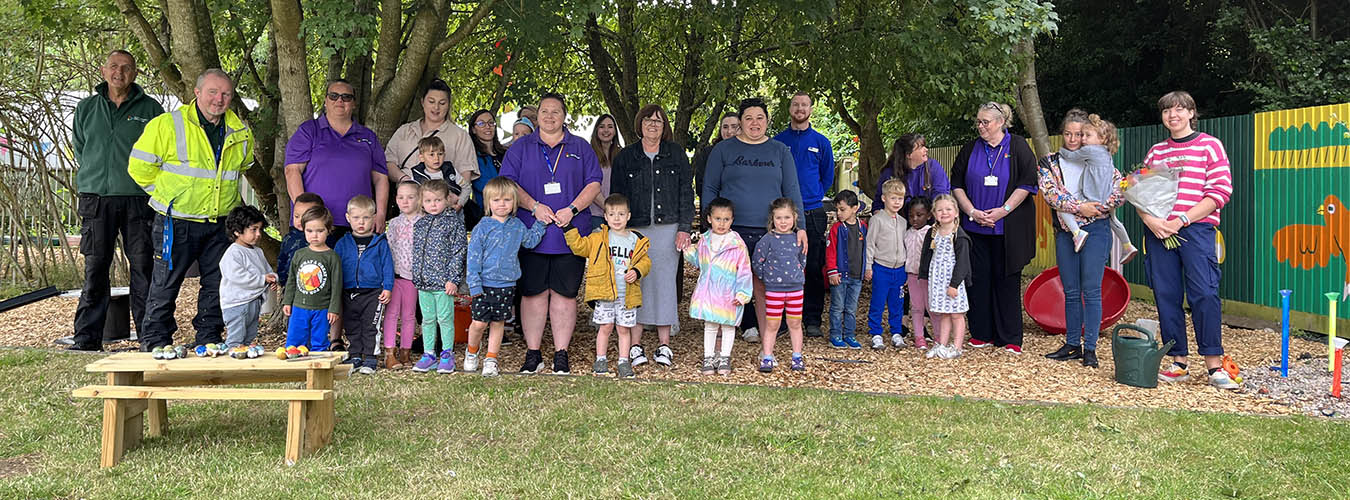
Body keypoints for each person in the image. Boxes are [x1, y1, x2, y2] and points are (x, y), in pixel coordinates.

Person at [129, 68, 255, 350]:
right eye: (212, 92)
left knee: (217, 285)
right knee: (164, 285)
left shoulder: (240, 132)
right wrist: (168, 196)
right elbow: (138, 167)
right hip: (177, 221)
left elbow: (242, 168)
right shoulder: (167, 125)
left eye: (225, 94)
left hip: (221, 222)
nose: (219, 99)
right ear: (196, 93)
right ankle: (155, 342)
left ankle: (209, 339)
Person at [499, 92, 603, 375]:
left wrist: (572, 208)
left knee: (565, 295)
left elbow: (594, 183)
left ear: (564, 116)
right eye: (544, 111)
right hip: (531, 233)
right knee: (532, 295)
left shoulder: (580, 147)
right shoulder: (521, 148)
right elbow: (508, 182)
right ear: (537, 116)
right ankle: (533, 354)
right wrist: (533, 207)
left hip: (570, 234)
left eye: (555, 111)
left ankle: (561, 354)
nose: (549, 116)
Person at [1140, 91, 1236, 389]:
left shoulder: (1210, 145)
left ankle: (1214, 365)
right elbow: (1141, 195)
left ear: (1192, 113)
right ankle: (1178, 361)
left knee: (1204, 294)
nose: (1174, 115)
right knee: (1166, 296)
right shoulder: (1156, 152)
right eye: (1168, 111)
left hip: (1195, 230)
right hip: (1159, 233)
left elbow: (1220, 193)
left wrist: (1181, 220)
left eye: (1180, 110)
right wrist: (1152, 222)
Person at [70, 49, 165, 351]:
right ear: (103, 70)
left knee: (143, 268)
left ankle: (150, 338)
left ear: (135, 73)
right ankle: (86, 339)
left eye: (126, 68)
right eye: (113, 67)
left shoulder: (151, 110)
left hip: (139, 200)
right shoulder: (86, 108)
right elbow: (81, 149)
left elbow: (162, 154)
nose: (119, 73)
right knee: (96, 268)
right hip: (96, 199)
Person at [703, 97, 806, 343]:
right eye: (748, 118)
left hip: (769, 232)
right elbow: (708, 188)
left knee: (762, 288)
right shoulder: (723, 150)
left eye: (760, 117)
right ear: (739, 122)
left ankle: (765, 344)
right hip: (729, 230)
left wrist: (799, 226)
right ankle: (717, 348)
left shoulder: (780, 151)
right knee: (724, 284)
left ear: (767, 121)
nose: (754, 123)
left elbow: (791, 189)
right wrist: (710, 226)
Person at [1039, 110, 1126, 369]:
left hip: (1097, 229)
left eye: (1079, 134)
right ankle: (1072, 344)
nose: (1074, 139)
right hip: (1067, 231)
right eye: (1068, 133)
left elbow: (1119, 190)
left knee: (1092, 289)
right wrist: (1080, 208)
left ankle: (1090, 348)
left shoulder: (1102, 158)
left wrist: (1098, 208)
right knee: (1071, 290)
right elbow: (1050, 193)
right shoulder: (1050, 162)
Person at [610, 104, 694, 368]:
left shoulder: (676, 154)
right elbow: (617, 195)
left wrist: (684, 227)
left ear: (664, 125)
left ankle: (664, 346)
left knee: (665, 285)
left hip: (668, 228)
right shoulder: (626, 157)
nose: (653, 124)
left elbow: (685, 193)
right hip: (634, 228)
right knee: (635, 283)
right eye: (648, 120)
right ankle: (634, 346)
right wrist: (618, 229)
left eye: (658, 120)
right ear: (639, 124)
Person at [950, 101, 1038, 354]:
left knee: (1007, 281)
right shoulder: (970, 149)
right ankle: (981, 333)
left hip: (1008, 229)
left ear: (1000, 123)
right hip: (975, 227)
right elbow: (956, 183)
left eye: (985, 122)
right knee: (978, 281)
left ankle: (1010, 337)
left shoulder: (1018, 146)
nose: (980, 126)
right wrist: (972, 212)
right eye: (978, 121)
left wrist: (1003, 211)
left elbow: (1028, 182)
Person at [464, 177, 548, 377]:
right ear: (488, 203)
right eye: (496, 200)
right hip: (483, 285)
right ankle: (472, 351)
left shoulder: (517, 226)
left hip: (507, 284)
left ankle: (491, 358)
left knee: (498, 322)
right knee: (479, 323)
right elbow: (473, 258)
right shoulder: (482, 227)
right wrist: (474, 284)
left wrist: (541, 225)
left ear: (514, 202)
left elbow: (529, 242)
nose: (502, 204)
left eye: (507, 200)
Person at [284, 79, 390, 234]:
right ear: (326, 101)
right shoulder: (308, 131)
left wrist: (380, 213)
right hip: (315, 226)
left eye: (346, 97)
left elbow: (381, 178)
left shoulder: (368, 136)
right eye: (334, 96)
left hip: (359, 225)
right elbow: (292, 171)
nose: (340, 100)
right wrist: (305, 214)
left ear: (353, 103)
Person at [565, 194, 652, 378]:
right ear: (605, 216)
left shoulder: (636, 240)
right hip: (605, 293)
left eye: (621, 214)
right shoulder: (598, 238)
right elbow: (580, 247)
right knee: (605, 327)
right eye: (612, 214)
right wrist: (568, 228)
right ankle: (601, 359)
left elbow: (645, 262)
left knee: (623, 329)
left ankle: (623, 361)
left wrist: (636, 271)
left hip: (626, 294)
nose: (617, 218)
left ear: (628, 216)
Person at [773, 92, 833, 338]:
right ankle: (784, 320)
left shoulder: (821, 142)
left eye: (804, 105)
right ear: (789, 109)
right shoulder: (778, 142)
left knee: (814, 266)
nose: (800, 108)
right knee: (783, 266)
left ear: (810, 109)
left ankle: (811, 319)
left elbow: (827, 176)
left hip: (812, 210)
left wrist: (814, 194)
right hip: (784, 213)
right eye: (796, 104)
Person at [383, 79, 478, 222]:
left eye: (442, 103)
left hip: (444, 210)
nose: (436, 107)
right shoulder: (404, 131)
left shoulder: (460, 135)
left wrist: (456, 202)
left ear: (448, 104)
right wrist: (405, 180)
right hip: (409, 209)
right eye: (431, 101)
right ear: (422, 102)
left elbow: (465, 176)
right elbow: (388, 162)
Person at [685, 197, 753, 376]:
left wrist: (743, 293)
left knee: (728, 325)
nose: (722, 223)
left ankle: (724, 357)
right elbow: (699, 261)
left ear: (732, 220)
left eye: (726, 219)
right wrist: (686, 250)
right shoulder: (705, 240)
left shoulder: (736, 244)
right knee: (710, 325)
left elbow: (744, 270)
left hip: (729, 293)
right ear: (709, 219)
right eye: (718, 219)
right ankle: (708, 356)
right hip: (709, 292)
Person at [1054, 116, 1135, 260]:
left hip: (1091, 197)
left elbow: (1071, 156)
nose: (1083, 139)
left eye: (1087, 135)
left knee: (1063, 208)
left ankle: (1077, 233)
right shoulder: (1107, 153)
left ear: (1102, 138)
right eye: (1083, 135)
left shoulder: (1091, 150)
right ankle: (1127, 244)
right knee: (1114, 220)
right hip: (1106, 197)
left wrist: (1059, 152)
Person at [409, 180, 468, 374]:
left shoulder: (453, 223)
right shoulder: (420, 224)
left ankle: (447, 354)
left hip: (443, 283)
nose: (433, 204)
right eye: (428, 200)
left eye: (438, 200)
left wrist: (453, 279)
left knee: (445, 318)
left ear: (447, 200)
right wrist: (417, 276)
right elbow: (417, 253)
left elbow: (459, 252)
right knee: (427, 319)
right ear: (422, 202)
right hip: (424, 282)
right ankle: (429, 354)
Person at [334, 195, 394, 374]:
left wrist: (388, 287)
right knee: (352, 324)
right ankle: (355, 355)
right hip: (348, 291)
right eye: (356, 218)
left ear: (374, 218)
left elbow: (388, 267)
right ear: (348, 218)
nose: (361, 222)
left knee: (371, 325)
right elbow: (336, 268)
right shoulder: (342, 243)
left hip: (373, 292)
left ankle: (370, 357)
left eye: (366, 218)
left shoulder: (380, 243)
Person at [751, 198, 807, 372]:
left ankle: (797, 356)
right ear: (772, 219)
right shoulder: (768, 239)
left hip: (796, 289)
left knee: (795, 323)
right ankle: (767, 356)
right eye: (779, 218)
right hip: (774, 290)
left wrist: (796, 276)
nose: (783, 222)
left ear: (794, 217)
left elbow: (802, 260)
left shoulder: (797, 238)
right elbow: (756, 261)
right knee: (772, 324)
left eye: (787, 217)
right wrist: (767, 278)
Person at [282, 206, 342, 351]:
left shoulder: (332, 256)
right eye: (309, 231)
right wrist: (287, 301)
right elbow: (291, 281)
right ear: (303, 229)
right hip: (299, 307)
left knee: (319, 341)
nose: (314, 235)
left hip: (322, 308)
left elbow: (337, 285)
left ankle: (318, 369)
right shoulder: (299, 254)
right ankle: (294, 370)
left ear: (328, 230)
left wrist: (333, 309)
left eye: (319, 231)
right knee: (294, 341)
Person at [920, 195, 972, 360]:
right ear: (934, 213)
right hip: (938, 280)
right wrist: (924, 274)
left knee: (957, 314)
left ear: (956, 213)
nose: (944, 213)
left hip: (953, 281)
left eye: (948, 209)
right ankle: (941, 345)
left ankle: (956, 347)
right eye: (940, 210)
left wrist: (954, 284)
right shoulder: (932, 232)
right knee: (944, 313)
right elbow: (926, 255)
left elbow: (963, 262)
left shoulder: (959, 235)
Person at [218, 205, 275, 349]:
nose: (258, 234)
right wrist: (263, 279)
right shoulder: (233, 253)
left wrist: (273, 279)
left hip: (253, 303)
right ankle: (229, 368)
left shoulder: (258, 251)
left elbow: (267, 270)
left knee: (249, 339)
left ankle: (245, 368)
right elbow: (238, 276)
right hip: (237, 305)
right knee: (236, 341)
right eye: (253, 229)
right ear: (237, 231)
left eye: (260, 229)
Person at [864, 180, 909, 350]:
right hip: (881, 267)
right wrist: (869, 266)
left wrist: (906, 268)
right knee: (878, 301)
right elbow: (870, 244)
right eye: (893, 198)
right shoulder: (877, 220)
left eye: (900, 198)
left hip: (899, 269)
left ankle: (896, 332)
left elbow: (906, 246)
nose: (897, 202)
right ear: (884, 198)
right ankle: (876, 333)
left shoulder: (903, 222)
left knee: (897, 302)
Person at [382, 181, 422, 370]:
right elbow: (387, 249)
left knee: (409, 315)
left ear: (419, 199)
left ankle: (405, 352)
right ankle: (389, 353)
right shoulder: (395, 223)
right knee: (391, 314)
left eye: (410, 197)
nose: (405, 201)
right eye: (400, 197)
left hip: (413, 277)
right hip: (394, 276)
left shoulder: (424, 222)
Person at [824, 190, 867, 349]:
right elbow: (831, 251)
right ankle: (835, 334)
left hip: (856, 276)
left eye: (842, 209)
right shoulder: (836, 228)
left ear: (854, 208)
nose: (838, 213)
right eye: (837, 209)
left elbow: (866, 250)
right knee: (837, 307)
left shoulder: (863, 227)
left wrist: (866, 269)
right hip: (840, 275)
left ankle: (849, 334)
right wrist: (832, 271)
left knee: (851, 308)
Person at [872, 133, 951, 215]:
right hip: (899, 223)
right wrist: (880, 219)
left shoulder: (933, 167)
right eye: (921, 147)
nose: (926, 149)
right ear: (909, 155)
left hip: (929, 219)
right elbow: (879, 203)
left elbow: (940, 197)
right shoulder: (889, 173)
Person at [902, 196, 934, 349]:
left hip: (928, 277)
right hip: (912, 276)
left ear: (928, 215)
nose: (914, 219)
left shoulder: (931, 233)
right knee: (916, 307)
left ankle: (940, 337)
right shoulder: (907, 233)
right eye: (911, 215)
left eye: (919, 215)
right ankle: (919, 337)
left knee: (932, 307)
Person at [278, 193, 325, 290]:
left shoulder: (324, 238)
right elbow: (282, 260)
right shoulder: (289, 238)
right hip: (291, 288)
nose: (300, 221)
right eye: (296, 216)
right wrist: (282, 281)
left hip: (317, 288)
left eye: (305, 216)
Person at [693, 113, 740, 203]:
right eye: (725, 127)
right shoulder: (708, 153)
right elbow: (701, 186)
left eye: (734, 127)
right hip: (715, 209)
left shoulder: (749, 153)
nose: (729, 131)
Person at [468, 109, 508, 215]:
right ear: (473, 129)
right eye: (481, 123)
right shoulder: (472, 156)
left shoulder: (506, 153)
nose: (487, 126)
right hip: (488, 214)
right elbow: (482, 185)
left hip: (513, 210)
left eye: (491, 122)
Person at [588, 114, 621, 229]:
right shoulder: (588, 154)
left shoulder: (622, 155)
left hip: (618, 217)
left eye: (610, 126)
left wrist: (617, 212)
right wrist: (609, 209)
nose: (606, 130)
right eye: (602, 126)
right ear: (596, 130)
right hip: (595, 215)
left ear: (615, 131)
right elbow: (589, 187)